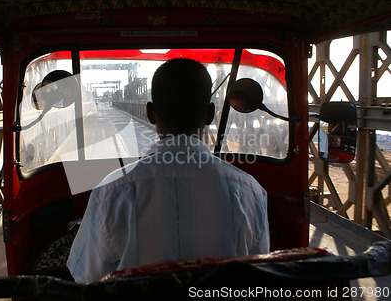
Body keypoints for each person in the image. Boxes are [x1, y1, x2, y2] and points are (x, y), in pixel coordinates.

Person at [67, 58, 269, 283]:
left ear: (150, 113)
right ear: (210, 114)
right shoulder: (250, 191)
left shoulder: (110, 192)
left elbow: (85, 280)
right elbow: (255, 277)